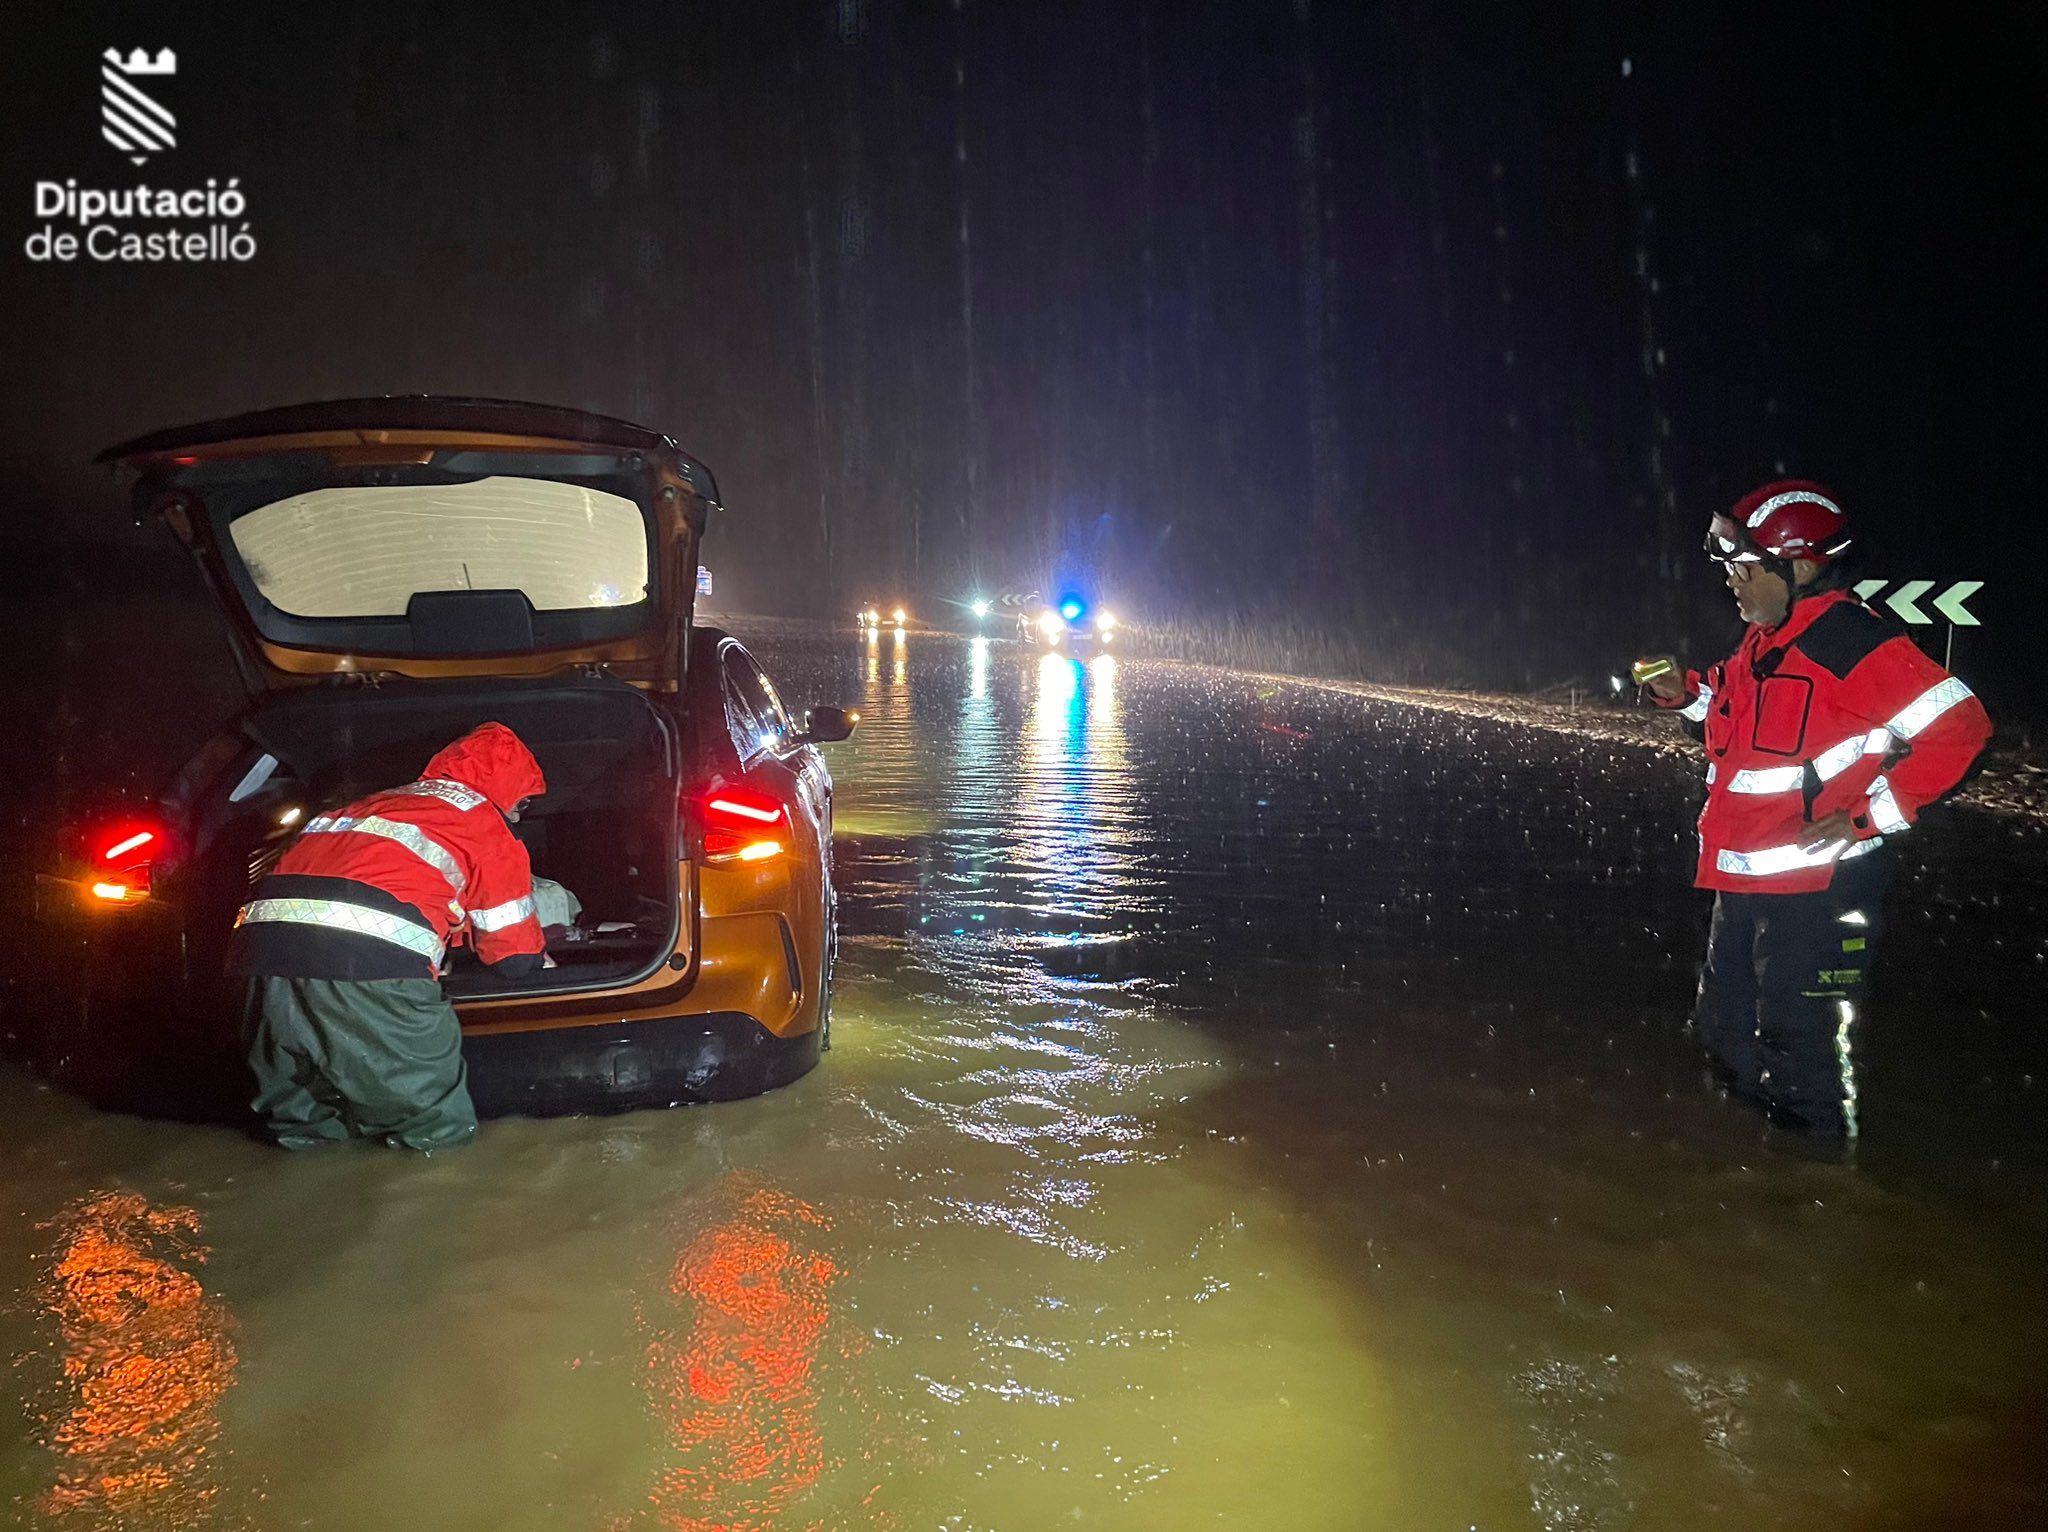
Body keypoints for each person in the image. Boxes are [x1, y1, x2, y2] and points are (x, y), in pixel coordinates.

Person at [1641, 480, 1991, 1139]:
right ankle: (1737, 1182)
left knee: (1797, 1049)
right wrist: (1681, 694)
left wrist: (1872, 816)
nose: (1732, 583)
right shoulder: (1762, 642)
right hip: (1743, 884)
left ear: (1798, 567)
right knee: (1723, 1034)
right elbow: (1725, 720)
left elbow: (1963, 730)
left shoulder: (1848, 642)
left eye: (1744, 568)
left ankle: (1815, 1192)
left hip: (1820, 891)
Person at [228, 721, 549, 1150]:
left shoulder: (371, 803)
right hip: (367, 971)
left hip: (257, 965)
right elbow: (513, 958)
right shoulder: (485, 823)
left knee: (301, 1129)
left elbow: (386, 886)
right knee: (436, 1137)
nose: (517, 815)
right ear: (509, 791)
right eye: (522, 803)